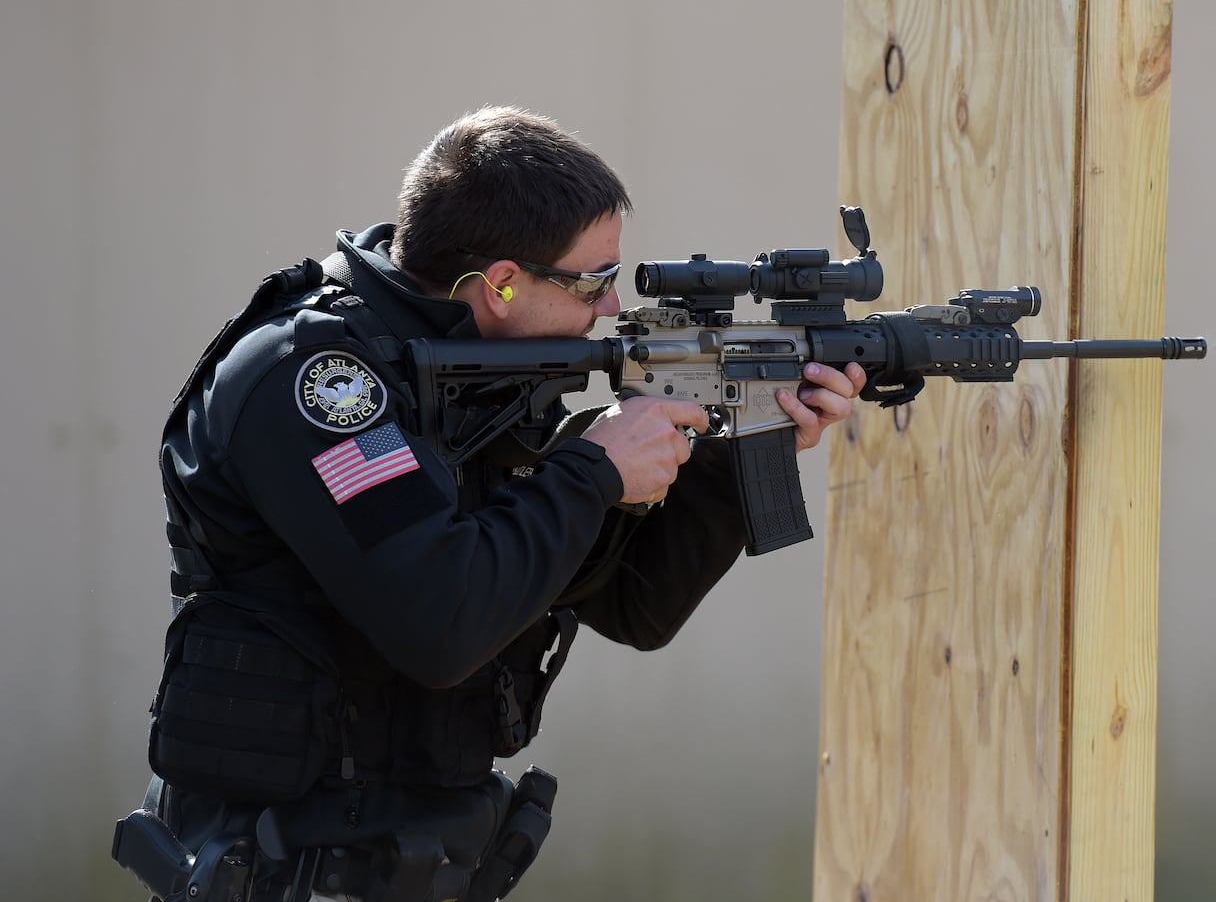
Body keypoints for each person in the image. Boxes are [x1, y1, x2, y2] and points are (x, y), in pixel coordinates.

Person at [118, 106, 866, 901]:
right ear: (503, 282)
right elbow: (441, 620)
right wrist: (591, 471)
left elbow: (634, 606)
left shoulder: (487, 377)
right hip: (281, 863)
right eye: (595, 280)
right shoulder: (319, 384)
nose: (612, 308)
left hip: (413, 861)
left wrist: (732, 450)